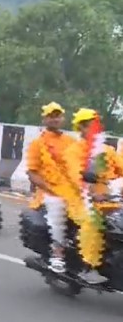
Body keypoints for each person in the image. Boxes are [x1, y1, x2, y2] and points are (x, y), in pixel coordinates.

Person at [62, 108, 123, 283]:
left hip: (110, 200)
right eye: (90, 126)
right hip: (82, 201)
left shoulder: (107, 151)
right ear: (80, 128)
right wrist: (89, 192)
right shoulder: (73, 151)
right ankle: (88, 266)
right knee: (93, 222)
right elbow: (75, 176)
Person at [26, 102, 78, 274]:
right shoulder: (37, 143)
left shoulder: (71, 141)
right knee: (57, 211)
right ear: (45, 119)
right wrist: (49, 188)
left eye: (58, 116)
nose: (55, 119)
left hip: (72, 189)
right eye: (51, 116)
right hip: (49, 190)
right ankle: (57, 254)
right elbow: (32, 173)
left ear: (63, 118)